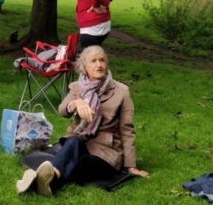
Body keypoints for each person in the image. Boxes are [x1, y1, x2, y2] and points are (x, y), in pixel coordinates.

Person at [15, 45, 149, 196]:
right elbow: (62, 110)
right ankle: (45, 182)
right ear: (84, 67)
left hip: (106, 152)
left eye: (102, 60)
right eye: (93, 61)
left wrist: (131, 166)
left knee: (78, 162)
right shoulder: (78, 87)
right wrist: (76, 103)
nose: (99, 65)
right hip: (79, 143)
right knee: (73, 142)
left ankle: (38, 180)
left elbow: (127, 130)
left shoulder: (121, 91)